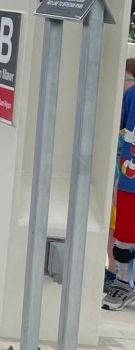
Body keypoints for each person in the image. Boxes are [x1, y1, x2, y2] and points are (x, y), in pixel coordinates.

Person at [105, 59, 135, 309]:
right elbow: (120, 129)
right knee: (123, 234)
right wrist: (117, 177)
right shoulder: (133, 93)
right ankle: (122, 282)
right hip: (130, 179)